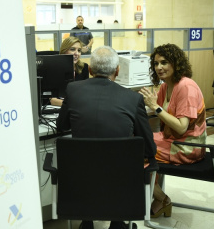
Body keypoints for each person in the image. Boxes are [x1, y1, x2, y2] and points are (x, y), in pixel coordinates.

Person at [57, 46, 156, 229]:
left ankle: (86, 222)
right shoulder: (133, 99)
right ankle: (117, 223)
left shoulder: (73, 90)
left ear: (91, 71)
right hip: (120, 180)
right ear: (117, 71)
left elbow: (61, 126)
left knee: (88, 165)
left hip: (80, 179)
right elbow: (149, 148)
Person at [139, 43, 207, 219]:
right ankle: (153, 195)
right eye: (156, 63)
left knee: (131, 152)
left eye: (164, 62)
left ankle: (162, 198)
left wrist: (155, 107)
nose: (159, 67)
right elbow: (157, 111)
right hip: (171, 140)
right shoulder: (165, 86)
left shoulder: (186, 87)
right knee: (136, 142)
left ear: (176, 63)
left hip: (186, 147)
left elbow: (181, 126)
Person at [49, 37, 89, 106]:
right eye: (72, 49)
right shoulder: (54, 69)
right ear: (64, 51)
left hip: (78, 109)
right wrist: (73, 105)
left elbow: (86, 94)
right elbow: (52, 100)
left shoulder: (84, 68)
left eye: (79, 50)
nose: (76, 53)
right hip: (59, 109)